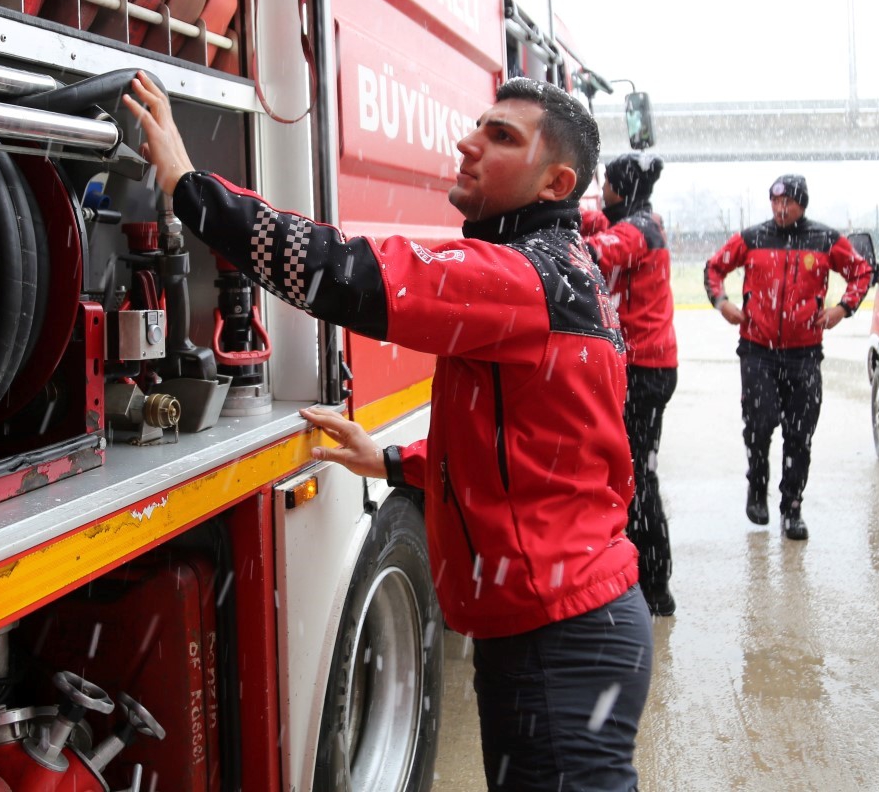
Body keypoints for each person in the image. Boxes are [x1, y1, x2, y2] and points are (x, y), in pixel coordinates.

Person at [123, 72, 650, 791]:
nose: (468, 143)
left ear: (555, 182)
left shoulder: (523, 276)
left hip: (557, 636)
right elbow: (538, 448)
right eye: (478, 125)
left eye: (501, 137)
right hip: (567, 622)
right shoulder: (562, 272)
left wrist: (190, 189)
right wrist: (397, 461)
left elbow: (348, 273)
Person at [703, 175, 872, 541]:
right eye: (775, 203)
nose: (781, 210)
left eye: (788, 203)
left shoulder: (825, 240)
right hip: (757, 350)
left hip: (804, 354)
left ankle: (792, 508)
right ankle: (757, 487)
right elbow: (713, 268)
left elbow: (862, 271)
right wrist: (723, 303)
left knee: (800, 434)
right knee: (760, 424)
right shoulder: (752, 238)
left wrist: (843, 308)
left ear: (802, 205)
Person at [581, 153, 678, 616]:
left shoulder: (640, 228)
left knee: (636, 474)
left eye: (610, 185)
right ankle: (634, 571)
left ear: (625, 189)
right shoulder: (627, 218)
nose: (605, 192)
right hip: (634, 368)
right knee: (625, 470)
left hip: (646, 371)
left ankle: (655, 585)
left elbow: (600, 249)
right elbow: (591, 220)